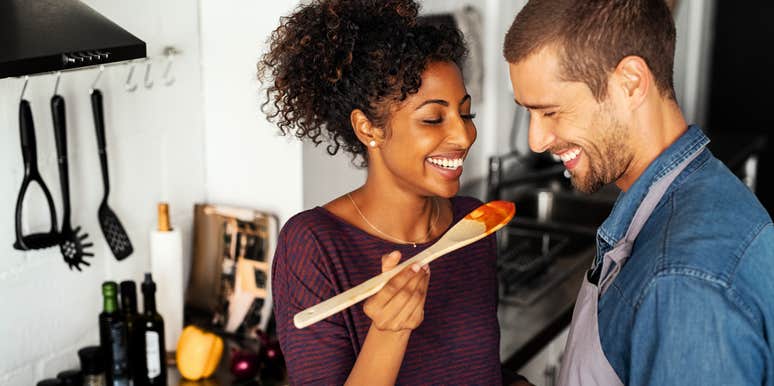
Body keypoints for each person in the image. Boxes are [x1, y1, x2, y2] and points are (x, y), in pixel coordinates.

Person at [503, 0, 774, 385]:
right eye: (528, 113)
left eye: (550, 112)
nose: (535, 140)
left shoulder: (682, 283)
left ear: (630, 83)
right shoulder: (698, 190)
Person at [260, 1, 525, 384]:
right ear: (369, 129)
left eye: (466, 114)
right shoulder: (314, 245)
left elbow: (469, 369)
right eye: (433, 118)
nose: (464, 135)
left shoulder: (473, 225)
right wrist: (388, 332)